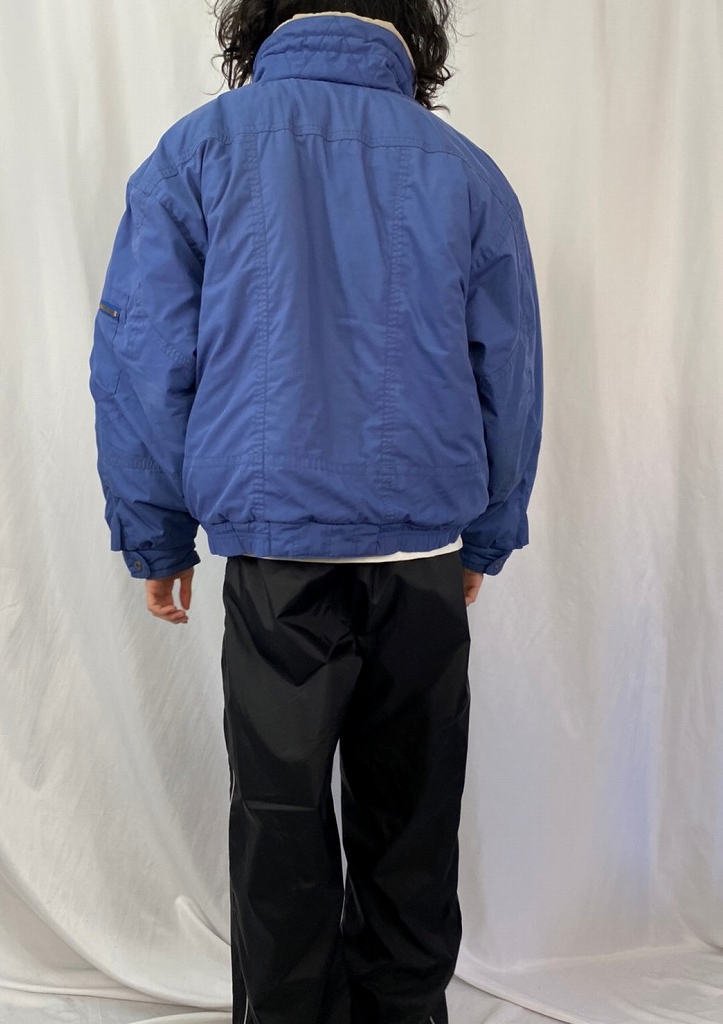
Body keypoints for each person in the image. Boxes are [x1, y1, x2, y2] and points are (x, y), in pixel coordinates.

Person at [89, 0, 543, 1020]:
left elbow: (142, 354)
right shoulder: (463, 170)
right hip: (421, 557)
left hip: (276, 562)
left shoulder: (199, 151)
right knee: (411, 825)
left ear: (258, 23)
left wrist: (155, 532)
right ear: (411, 32)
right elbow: (507, 369)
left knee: (279, 824)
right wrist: (488, 530)